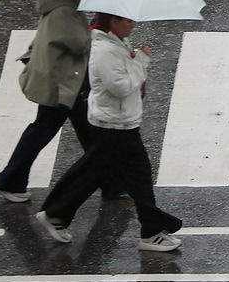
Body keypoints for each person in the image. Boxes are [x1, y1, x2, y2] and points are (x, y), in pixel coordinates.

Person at [34, 13, 183, 252]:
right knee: (139, 177)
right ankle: (152, 232)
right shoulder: (106, 50)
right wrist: (141, 61)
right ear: (112, 22)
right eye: (127, 21)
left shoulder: (115, 44)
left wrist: (133, 58)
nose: (132, 25)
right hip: (116, 125)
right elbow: (121, 87)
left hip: (116, 121)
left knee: (94, 170)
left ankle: (55, 213)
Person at [0, 0, 123, 203]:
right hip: (62, 85)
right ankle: (10, 181)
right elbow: (80, 44)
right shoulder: (63, 11)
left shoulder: (59, 5)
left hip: (67, 81)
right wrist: (96, 27)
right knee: (45, 132)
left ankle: (111, 184)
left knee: (87, 134)